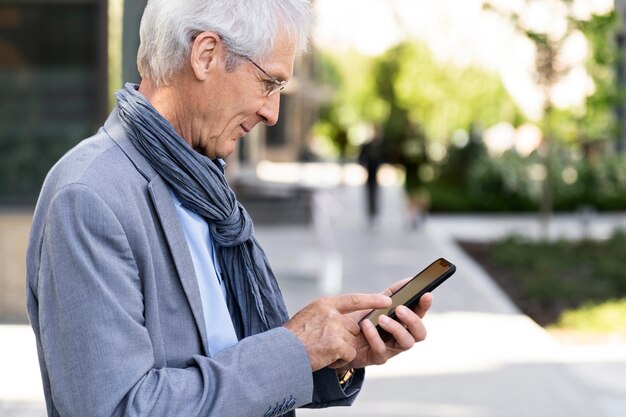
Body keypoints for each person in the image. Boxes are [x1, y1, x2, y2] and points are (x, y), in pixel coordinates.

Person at [26, 1, 433, 416]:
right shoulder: (90, 197)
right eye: (269, 83)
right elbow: (119, 409)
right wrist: (293, 348)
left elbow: (230, 359)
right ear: (206, 55)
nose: (272, 114)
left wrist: (337, 352)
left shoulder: (206, 189)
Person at [358, 127, 384, 227]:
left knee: (376, 193)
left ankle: (374, 213)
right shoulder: (367, 146)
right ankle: (370, 213)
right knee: (370, 192)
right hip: (370, 172)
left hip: (377, 172)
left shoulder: (380, 145)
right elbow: (361, 158)